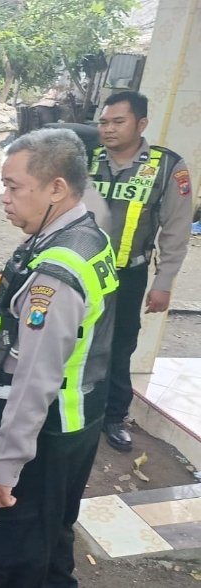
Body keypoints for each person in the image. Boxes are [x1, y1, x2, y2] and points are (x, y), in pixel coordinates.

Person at [0, 128, 118, 586]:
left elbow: (35, 377)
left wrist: (3, 466)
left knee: (13, 561)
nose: (3, 197)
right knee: (50, 541)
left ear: (56, 189)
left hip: (36, 429)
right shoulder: (84, 234)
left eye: (13, 187)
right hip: (74, 422)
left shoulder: (56, 274)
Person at [92, 91, 192, 452]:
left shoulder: (167, 166)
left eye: (118, 121)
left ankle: (113, 417)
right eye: (104, 122)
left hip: (126, 277)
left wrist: (163, 283)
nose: (108, 129)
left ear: (142, 124)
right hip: (79, 273)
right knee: (66, 339)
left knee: (119, 346)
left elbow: (177, 229)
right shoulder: (83, 159)